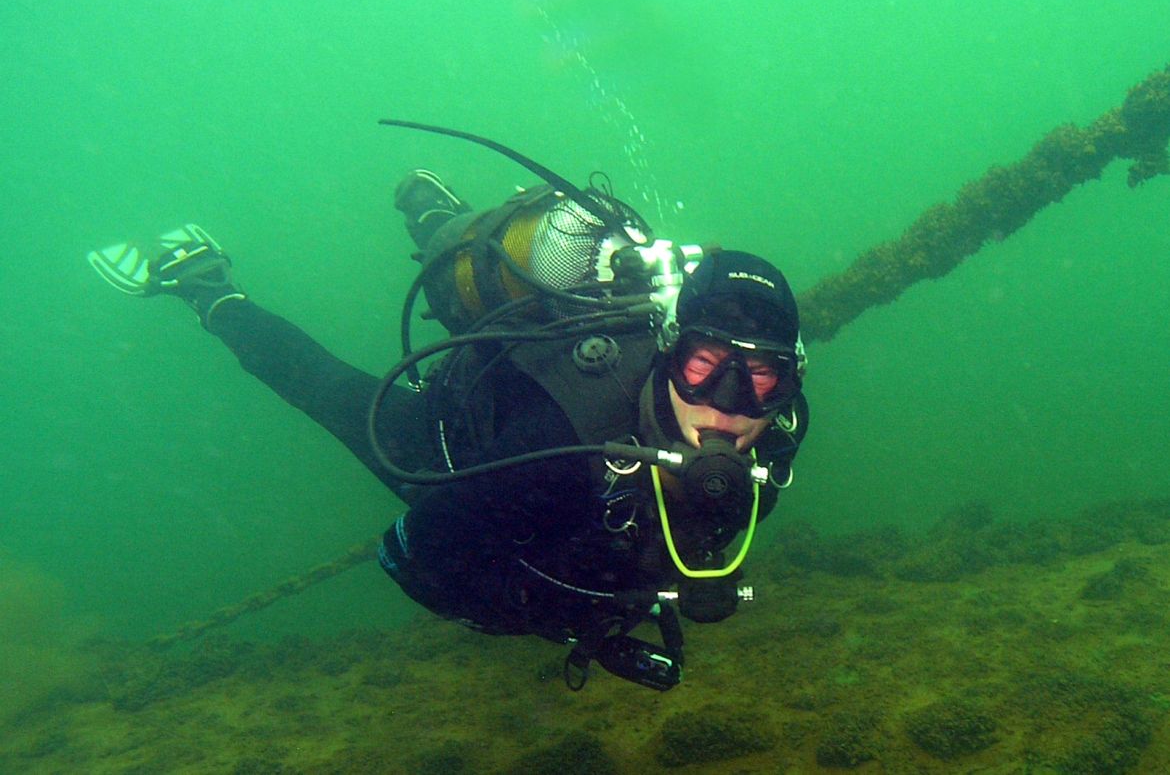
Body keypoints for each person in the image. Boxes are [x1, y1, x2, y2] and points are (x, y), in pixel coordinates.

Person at [87, 140, 809, 691]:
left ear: (788, 393)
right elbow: (410, 561)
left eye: (762, 380)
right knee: (325, 389)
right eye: (702, 366)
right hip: (454, 439)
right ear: (665, 350)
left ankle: (438, 217)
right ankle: (206, 287)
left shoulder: (777, 440)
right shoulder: (560, 443)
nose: (727, 405)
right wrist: (576, 624)